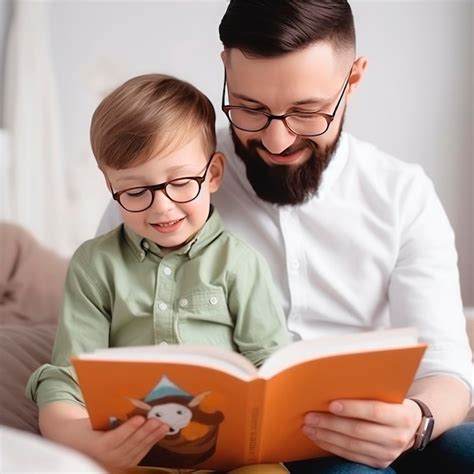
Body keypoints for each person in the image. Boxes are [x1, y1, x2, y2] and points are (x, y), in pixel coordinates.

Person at [97, 1, 473, 473]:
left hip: (388, 431)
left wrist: (415, 420)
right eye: (250, 109)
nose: (277, 142)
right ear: (227, 72)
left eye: (307, 112)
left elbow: (447, 368)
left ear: (352, 81)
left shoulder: (401, 192)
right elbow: (105, 341)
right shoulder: (161, 187)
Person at [26, 73, 290, 471]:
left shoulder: (241, 263)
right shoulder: (95, 265)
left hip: (228, 454)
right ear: (110, 185)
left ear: (213, 175)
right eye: (135, 192)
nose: (162, 208)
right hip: (133, 454)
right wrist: (80, 437)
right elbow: (69, 377)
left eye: (182, 182)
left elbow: (272, 365)